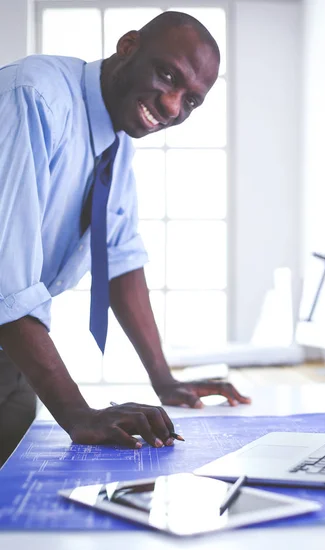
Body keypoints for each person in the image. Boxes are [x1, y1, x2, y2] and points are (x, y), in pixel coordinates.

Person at [0, 11, 250, 464]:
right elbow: (5, 280)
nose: (174, 107)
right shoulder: (35, 96)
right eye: (168, 75)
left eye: (191, 101)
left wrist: (164, 379)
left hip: (13, 358)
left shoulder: (116, 147)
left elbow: (119, 259)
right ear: (128, 45)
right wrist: (78, 412)